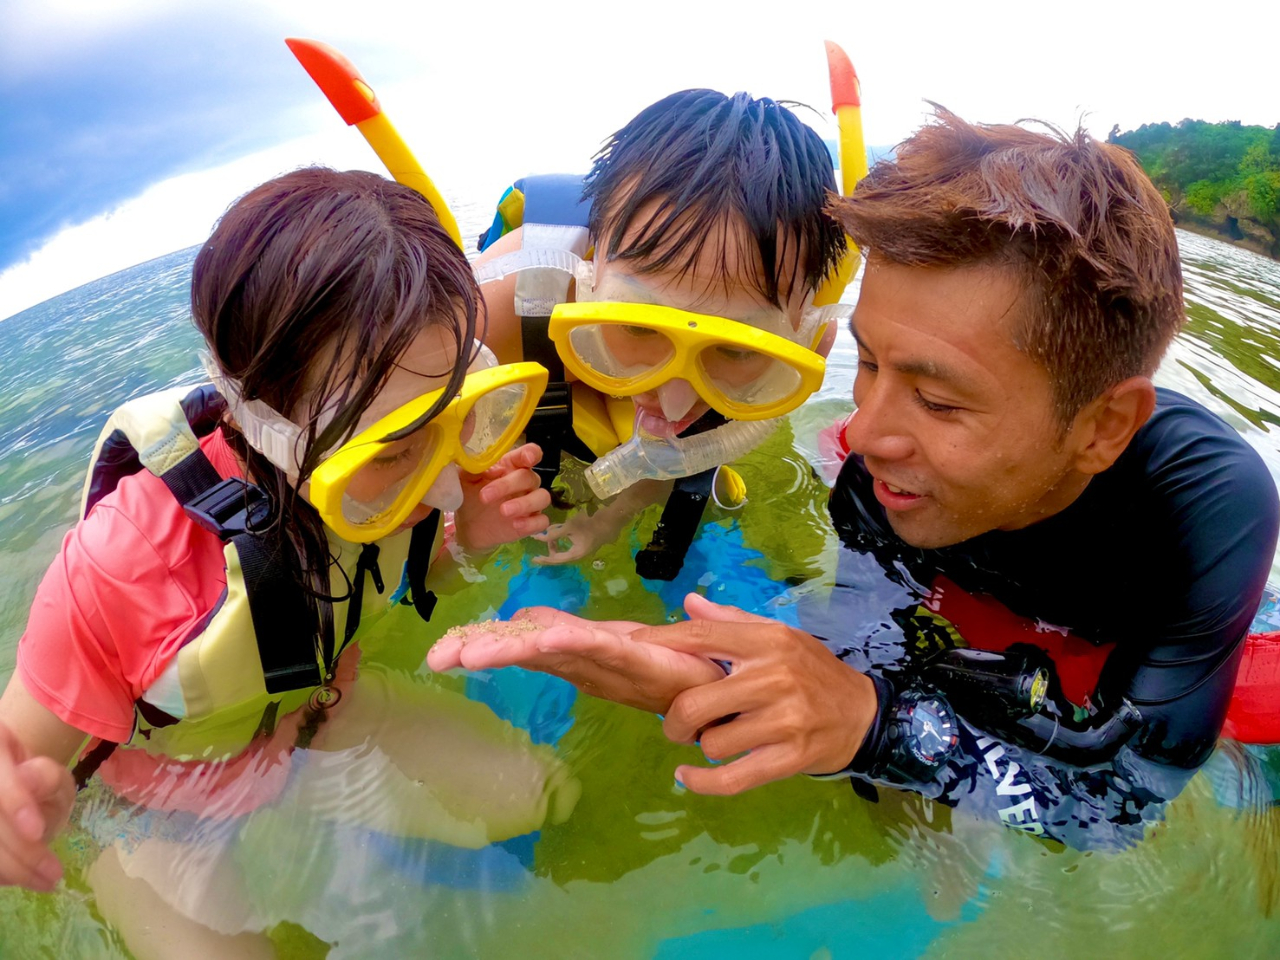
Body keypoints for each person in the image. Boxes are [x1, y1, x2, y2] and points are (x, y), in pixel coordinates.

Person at [428, 110, 1280, 848]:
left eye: (938, 400)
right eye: (868, 363)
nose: (862, 433)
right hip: (969, 589)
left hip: (1128, 618)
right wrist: (718, 686)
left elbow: (1122, 808)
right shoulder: (876, 472)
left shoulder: (1207, 506)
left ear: (1102, 428)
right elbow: (859, 653)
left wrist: (877, 730)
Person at [0, 167, 574, 929]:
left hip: (328, 718)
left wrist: (466, 539)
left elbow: (397, 579)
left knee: (549, 795)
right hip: (170, 808)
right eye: (397, 447)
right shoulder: (127, 567)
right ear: (263, 421)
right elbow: (19, 752)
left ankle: (370, 842)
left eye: (455, 411)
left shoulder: (413, 462)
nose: (442, 475)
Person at [471, 89, 851, 579]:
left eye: (733, 348)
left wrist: (610, 519)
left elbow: (681, 441)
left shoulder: (795, 351)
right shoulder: (506, 307)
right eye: (637, 324)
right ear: (588, 266)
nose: (673, 404)